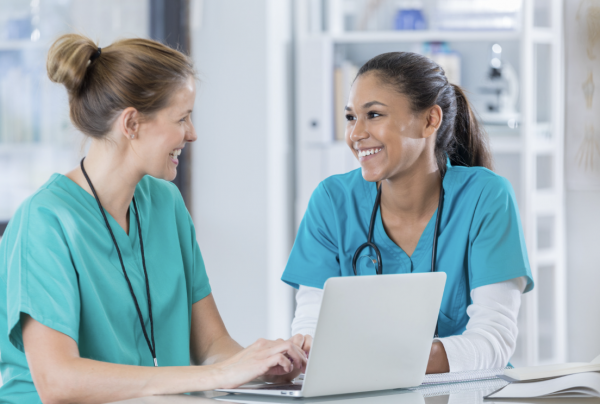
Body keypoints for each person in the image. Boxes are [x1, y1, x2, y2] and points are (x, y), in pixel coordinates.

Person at [0, 34, 307, 404]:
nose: (192, 134)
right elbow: (58, 381)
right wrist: (218, 374)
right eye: (182, 118)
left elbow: (211, 344)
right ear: (131, 124)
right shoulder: (45, 220)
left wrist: (259, 367)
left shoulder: (166, 203)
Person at [282, 52, 534, 374]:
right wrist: (305, 351)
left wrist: (378, 357)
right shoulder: (332, 202)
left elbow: (492, 342)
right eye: (350, 117)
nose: (356, 134)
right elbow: (311, 328)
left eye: (373, 115)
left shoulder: (485, 198)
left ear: (430, 120)